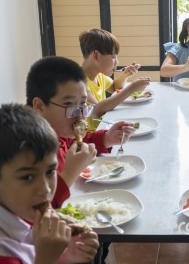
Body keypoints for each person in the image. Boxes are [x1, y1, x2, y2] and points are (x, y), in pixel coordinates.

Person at [0, 103, 99, 263]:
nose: (45, 190)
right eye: (27, 177)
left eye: (50, 171)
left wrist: (65, 257)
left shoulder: (17, 206)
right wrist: (46, 259)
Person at [26, 56, 135, 208]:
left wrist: (107, 138)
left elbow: (78, 141)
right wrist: (70, 173)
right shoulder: (28, 147)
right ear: (39, 106)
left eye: (83, 104)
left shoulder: (58, 129)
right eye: (69, 105)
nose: (80, 115)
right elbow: (39, 207)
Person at [79, 28, 150, 131]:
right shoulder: (78, 80)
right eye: (113, 57)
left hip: (101, 128)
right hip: (88, 137)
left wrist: (126, 74)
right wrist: (132, 88)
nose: (117, 61)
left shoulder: (99, 75)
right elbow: (97, 109)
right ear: (96, 55)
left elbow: (115, 88)